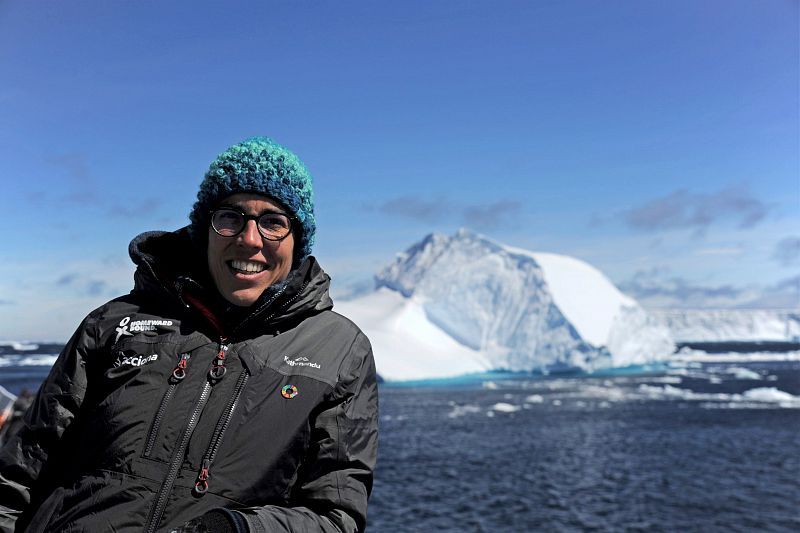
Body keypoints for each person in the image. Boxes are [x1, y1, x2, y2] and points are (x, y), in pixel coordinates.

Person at [0, 137, 379, 533]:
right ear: (205, 230)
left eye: (273, 222)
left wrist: (235, 529)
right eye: (231, 217)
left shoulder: (340, 351)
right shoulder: (113, 324)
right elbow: (17, 475)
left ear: (297, 239)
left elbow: (335, 518)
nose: (249, 239)